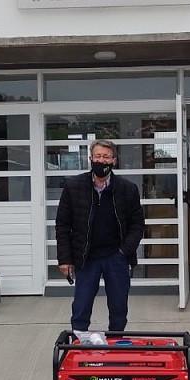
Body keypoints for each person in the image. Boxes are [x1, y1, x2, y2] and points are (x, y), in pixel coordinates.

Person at [55, 140, 144, 334]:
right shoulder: (74, 186)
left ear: (114, 160)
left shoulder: (127, 189)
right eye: (98, 156)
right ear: (90, 158)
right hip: (86, 257)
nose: (101, 160)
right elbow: (62, 225)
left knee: (119, 309)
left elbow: (137, 225)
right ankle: (79, 344)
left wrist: (124, 252)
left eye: (106, 157)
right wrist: (65, 259)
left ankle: (115, 344)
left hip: (116, 257)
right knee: (81, 308)